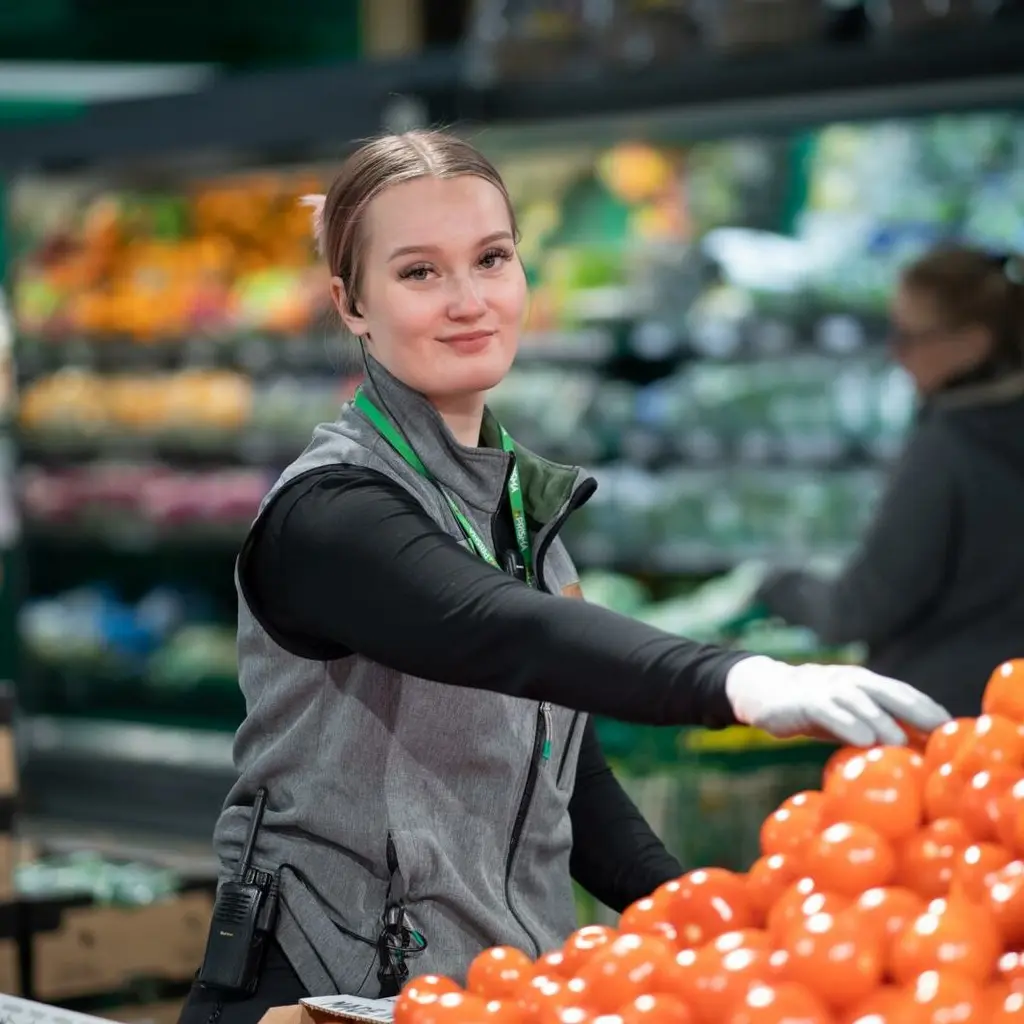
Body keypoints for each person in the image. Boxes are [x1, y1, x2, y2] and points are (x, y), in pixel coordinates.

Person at [179, 130, 949, 1022]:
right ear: (353, 304)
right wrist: (735, 677)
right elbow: (496, 629)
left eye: (491, 259)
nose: (469, 301)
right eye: (419, 273)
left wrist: (708, 923)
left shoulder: (516, 510)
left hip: (492, 995)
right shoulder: (331, 514)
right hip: (326, 991)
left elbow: (569, 782)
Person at [757, 244, 1024, 718]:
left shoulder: (948, 450)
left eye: (908, 336)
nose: (896, 355)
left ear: (973, 341)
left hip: (945, 726)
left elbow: (862, 607)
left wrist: (781, 586)